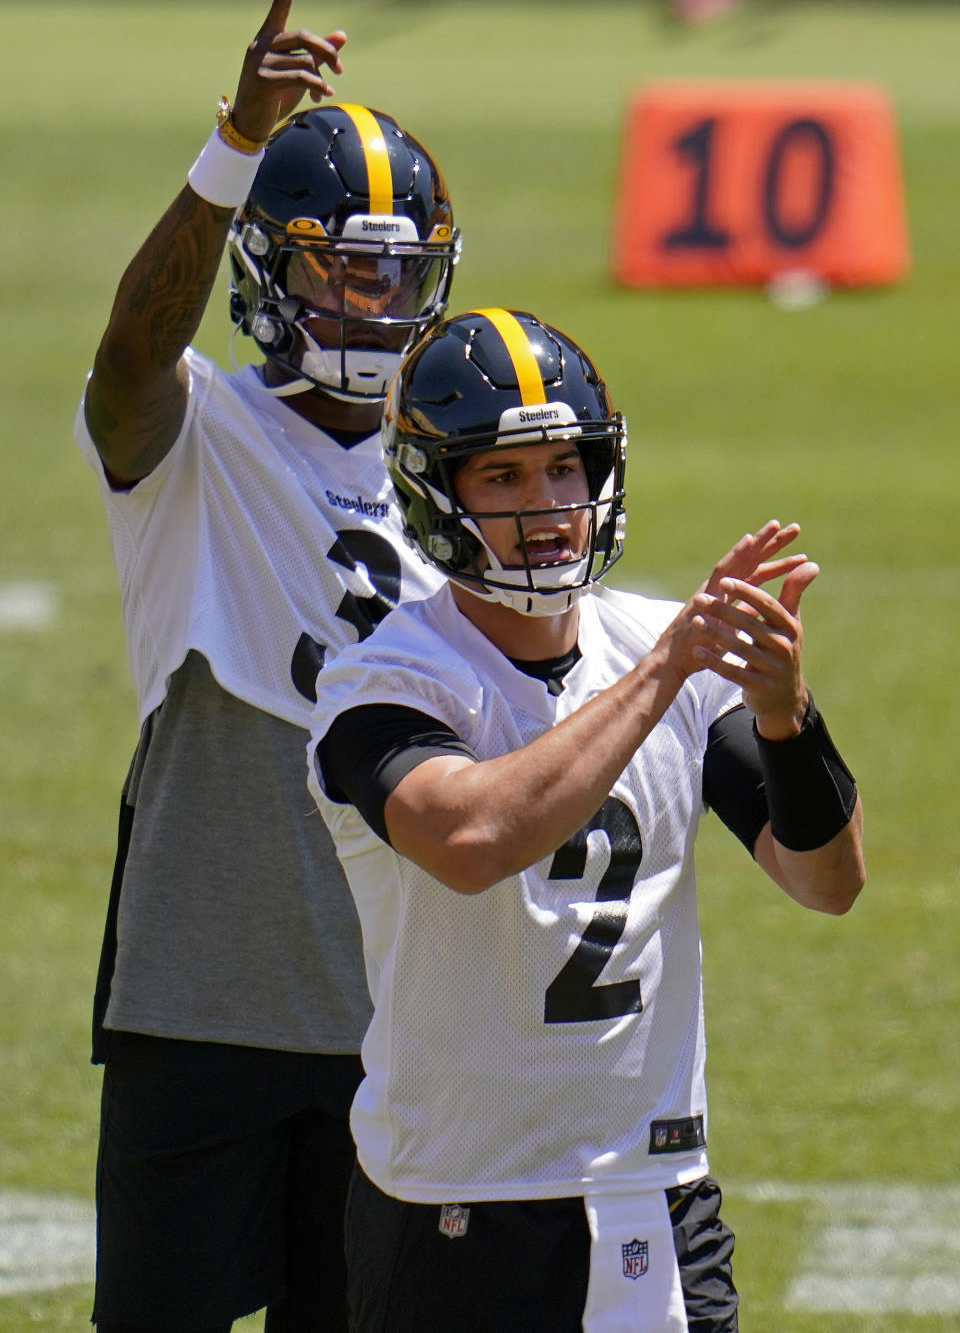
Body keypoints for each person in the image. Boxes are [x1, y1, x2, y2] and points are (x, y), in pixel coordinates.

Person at [307, 307, 865, 1332]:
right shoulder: (385, 679)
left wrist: (788, 719)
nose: (550, 506)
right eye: (504, 476)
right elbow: (469, 841)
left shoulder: (662, 651)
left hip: (651, 1186)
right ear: (438, 493)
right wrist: (663, 672)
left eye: (566, 467)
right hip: (455, 1195)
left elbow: (826, 880)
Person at [74, 0, 460, 1333]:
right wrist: (232, 146)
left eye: (392, 274)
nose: (367, 301)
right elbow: (128, 355)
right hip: (200, 996)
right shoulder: (196, 432)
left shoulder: (457, 474)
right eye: (338, 268)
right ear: (266, 264)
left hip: (395, 1012)